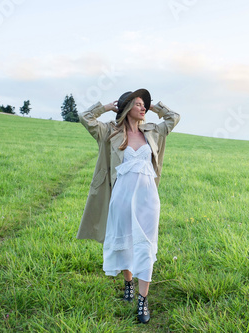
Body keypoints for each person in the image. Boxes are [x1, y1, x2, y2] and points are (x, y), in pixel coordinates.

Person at [76, 89, 180, 324]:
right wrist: (105, 107)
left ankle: (143, 300)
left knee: (146, 244)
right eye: (139, 104)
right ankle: (128, 282)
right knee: (125, 241)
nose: (143, 107)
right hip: (121, 197)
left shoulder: (153, 131)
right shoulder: (109, 132)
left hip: (148, 199)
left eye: (145, 104)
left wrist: (157, 108)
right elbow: (85, 117)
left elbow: (173, 118)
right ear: (126, 108)